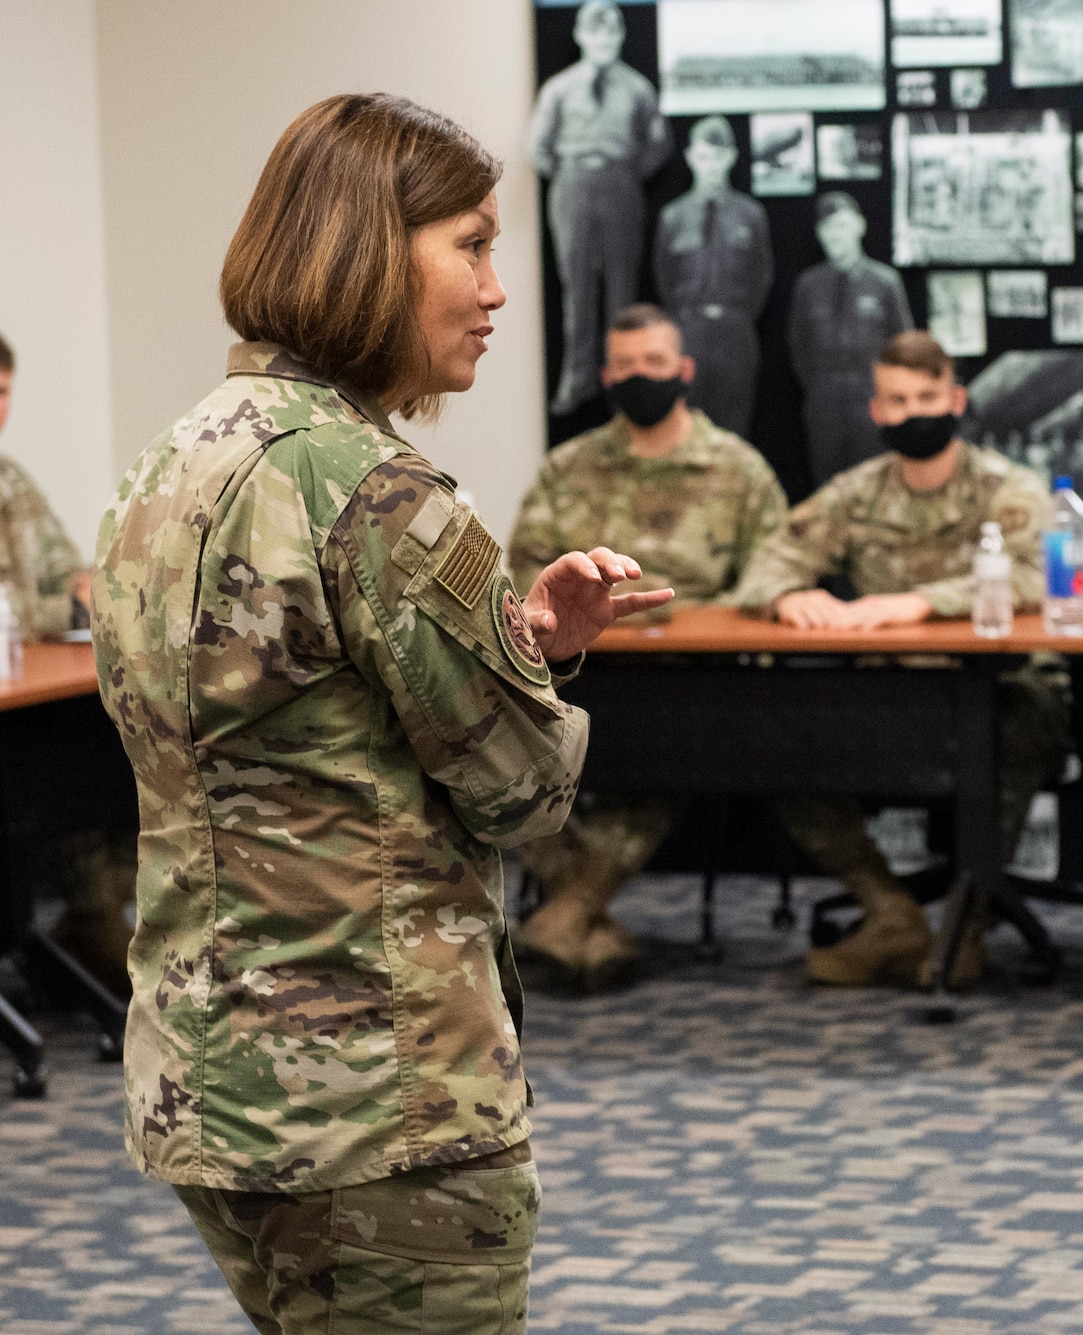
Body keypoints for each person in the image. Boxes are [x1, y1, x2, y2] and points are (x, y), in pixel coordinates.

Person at [92, 95, 673, 1334]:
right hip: (380, 1098)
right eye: (469, 243)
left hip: (209, 1076)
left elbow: (296, 722)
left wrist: (513, 639)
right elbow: (523, 791)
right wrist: (537, 686)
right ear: (368, 249)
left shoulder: (171, 461)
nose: (496, 288)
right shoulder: (378, 490)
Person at [731, 331, 1066, 988]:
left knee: (1021, 724)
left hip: (1004, 688)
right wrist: (791, 595)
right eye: (898, 400)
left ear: (957, 399)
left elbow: (1041, 579)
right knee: (787, 740)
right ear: (877, 411)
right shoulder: (856, 492)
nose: (914, 412)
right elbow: (766, 565)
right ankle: (890, 913)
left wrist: (920, 603)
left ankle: (965, 925)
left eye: (927, 396)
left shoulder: (1009, 488)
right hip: (893, 692)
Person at [507, 304, 787, 992]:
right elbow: (523, 578)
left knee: (669, 740)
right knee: (482, 742)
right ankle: (589, 924)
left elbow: (773, 578)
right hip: (574, 675)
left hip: (694, 682)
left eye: (654, 364)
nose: (640, 377)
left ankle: (567, 913)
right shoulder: (569, 468)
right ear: (606, 377)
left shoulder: (739, 470)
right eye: (626, 367)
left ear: (685, 371)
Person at [0, 333, 133, 991]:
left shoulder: (10, 477)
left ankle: (94, 920)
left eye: (3, 393)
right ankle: (89, 927)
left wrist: (80, 587)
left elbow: (64, 573)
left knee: (111, 737)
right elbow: (17, 604)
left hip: (34, 686)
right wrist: (53, 604)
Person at [530, 0, 674, 416]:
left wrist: (625, 173)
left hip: (621, 186)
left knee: (621, 288)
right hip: (573, 185)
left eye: (611, 33)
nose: (603, 40)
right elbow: (537, 147)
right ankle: (577, 381)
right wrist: (574, 171)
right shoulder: (559, 88)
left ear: (621, 36)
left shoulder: (637, 88)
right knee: (575, 287)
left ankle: (621, 381)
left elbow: (658, 143)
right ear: (580, 35)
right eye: (595, 32)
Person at [652, 115, 774, 437]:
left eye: (718, 157)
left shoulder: (751, 214)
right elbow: (663, 276)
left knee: (735, 429)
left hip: (736, 332)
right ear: (691, 157)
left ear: (731, 158)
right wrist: (687, 319)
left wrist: (736, 316)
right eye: (704, 157)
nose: (711, 166)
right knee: (686, 428)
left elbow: (762, 276)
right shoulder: (673, 216)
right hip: (689, 329)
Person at [789, 192, 914, 484]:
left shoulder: (884, 282)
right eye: (828, 227)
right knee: (828, 484)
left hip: (870, 397)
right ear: (819, 234)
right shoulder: (808, 285)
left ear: (860, 226)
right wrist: (820, 385)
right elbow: (798, 345)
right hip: (825, 399)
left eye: (843, 225)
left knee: (874, 482)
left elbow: (903, 346)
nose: (836, 234)